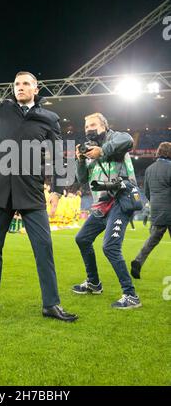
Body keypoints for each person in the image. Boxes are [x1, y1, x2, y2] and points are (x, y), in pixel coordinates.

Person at [0, 34, 78, 322]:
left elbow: (61, 156)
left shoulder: (50, 118)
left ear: (36, 88)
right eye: (16, 84)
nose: (20, 87)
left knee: (44, 250)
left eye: (25, 83)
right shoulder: (2, 109)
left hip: (32, 193)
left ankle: (51, 304)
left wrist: (58, 191)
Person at [73, 112, 142, 309]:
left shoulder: (115, 138)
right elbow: (82, 179)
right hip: (101, 204)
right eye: (86, 126)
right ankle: (94, 283)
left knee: (110, 247)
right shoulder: (88, 150)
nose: (89, 129)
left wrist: (101, 151)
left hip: (121, 199)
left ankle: (131, 295)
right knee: (82, 238)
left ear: (104, 126)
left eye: (93, 125)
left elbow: (128, 140)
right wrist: (80, 159)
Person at [131, 142, 171, 279]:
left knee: (152, 239)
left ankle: (138, 261)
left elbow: (147, 192)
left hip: (156, 211)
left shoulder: (149, 169)